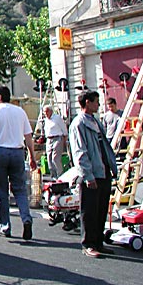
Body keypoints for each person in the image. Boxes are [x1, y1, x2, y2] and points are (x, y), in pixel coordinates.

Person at [0, 85, 38, 240]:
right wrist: (32, 156)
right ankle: (26, 218)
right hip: (17, 152)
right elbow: (28, 136)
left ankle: (5, 226)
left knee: (1, 191)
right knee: (20, 189)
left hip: (0, 151)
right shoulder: (20, 111)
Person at [69, 90, 118, 258]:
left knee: (101, 208)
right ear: (87, 102)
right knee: (89, 210)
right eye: (96, 101)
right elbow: (80, 152)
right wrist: (88, 176)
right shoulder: (79, 124)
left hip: (103, 169)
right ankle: (88, 243)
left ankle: (98, 241)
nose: (99, 104)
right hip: (91, 172)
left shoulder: (96, 121)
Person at [43, 105, 68, 180]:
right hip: (49, 139)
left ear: (50, 111)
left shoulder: (57, 118)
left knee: (55, 158)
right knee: (49, 158)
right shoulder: (46, 120)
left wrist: (65, 138)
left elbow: (64, 128)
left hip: (57, 138)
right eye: (44, 112)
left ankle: (60, 175)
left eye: (46, 111)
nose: (45, 113)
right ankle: (53, 176)